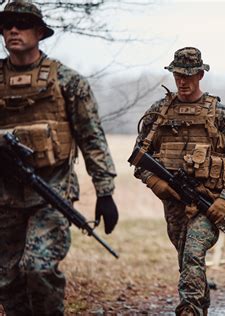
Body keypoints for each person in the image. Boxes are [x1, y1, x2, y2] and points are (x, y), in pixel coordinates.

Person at [0, 1, 118, 314]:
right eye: (8, 23)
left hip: (51, 192)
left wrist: (105, 191)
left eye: (22, 23)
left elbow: (91, 137)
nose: (13, 30)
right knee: (7, 279)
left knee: (38, 268)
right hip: (4, 196)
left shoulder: (68, 81)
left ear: (39, 32)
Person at [134, 47, 225, 315]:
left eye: (188, 75)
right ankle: (199, 305)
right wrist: (155, 182)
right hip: (173, 202)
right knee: (186, 260)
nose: (182, 81)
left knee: (194, 251)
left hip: (208, 201)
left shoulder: (221, 114)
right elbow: (138, 159)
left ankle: (190, 309)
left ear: (199, 75)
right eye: (177, 75)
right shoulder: (159, 112)